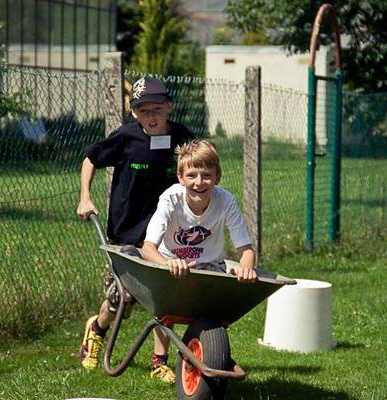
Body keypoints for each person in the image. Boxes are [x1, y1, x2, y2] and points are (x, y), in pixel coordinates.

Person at [76, 76, 195, 383]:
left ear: (168, 106)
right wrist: (85, 197)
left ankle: (159, 361)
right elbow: (91, 157)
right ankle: (98, 328)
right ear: (133, 112)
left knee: (165, 299)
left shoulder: (182, 137)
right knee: (121, 300)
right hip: (126, 234)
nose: (151, 117)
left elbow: (198, 166)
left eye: (156, 109)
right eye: (143, 111)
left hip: (167, 234)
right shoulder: (126, 138)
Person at [141, 139, 258, 283]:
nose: (199, 182)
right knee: (125, 298)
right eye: (191, 175)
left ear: (218, 177)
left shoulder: (225, 201)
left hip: (211, 267)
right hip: (170, 264)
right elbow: (148, 248)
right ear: (180, 177)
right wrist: (167, 263)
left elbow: (245, 249)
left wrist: (245, 270)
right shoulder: (170, 199)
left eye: (207, 175)